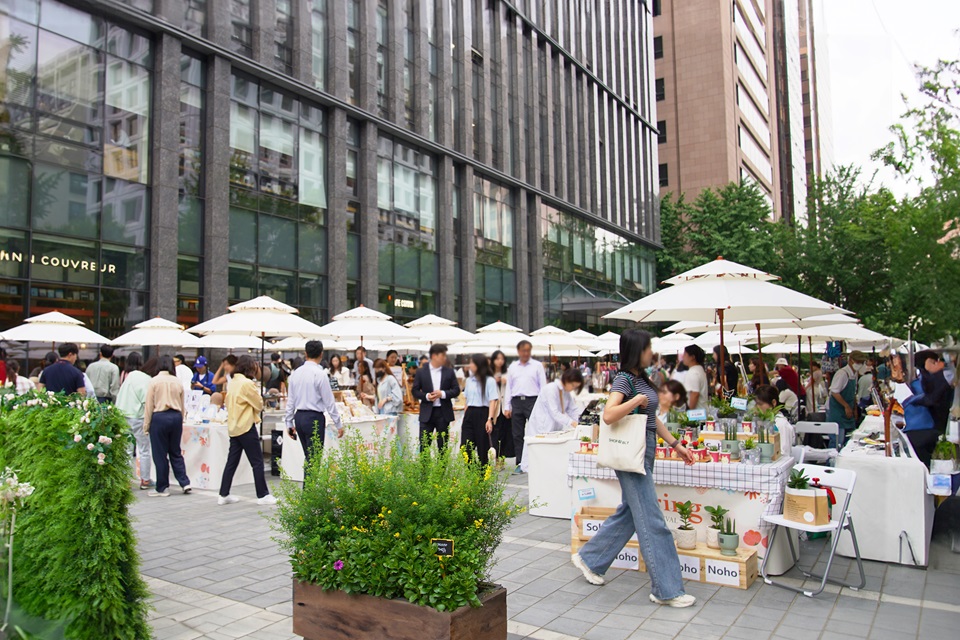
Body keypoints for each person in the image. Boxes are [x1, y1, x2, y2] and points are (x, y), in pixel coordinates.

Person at [572, 329, 697, 608]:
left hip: (644, 449)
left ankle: (591, 559)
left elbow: (651, 418)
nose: (651, 352)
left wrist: (676, 444)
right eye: (647, 348)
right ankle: (667, 589)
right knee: (652, 520)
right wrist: (635, 401)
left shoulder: (642, 379)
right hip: (632, 453)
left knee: (632, 511)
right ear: (636, 350)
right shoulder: (624, 379)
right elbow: (608, 414)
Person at [219, 355, 276, 505]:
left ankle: (223, 494)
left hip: (234, 426)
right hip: (246, 426)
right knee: (257, 462)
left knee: (231, 462)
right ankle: (262, 495)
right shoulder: (247, 383)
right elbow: (259, 404)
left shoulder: (233, 382)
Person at [284, 341, 344, 465]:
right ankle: (309, 479)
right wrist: (338, 423)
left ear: (305, 353)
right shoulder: (320, 374)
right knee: (314, 459)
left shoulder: (295, 373)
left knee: (309, 457)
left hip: (299, 417)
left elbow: (290, 401)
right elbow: (329, 402)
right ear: (321, 354)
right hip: (314, 418)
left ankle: (308, 478)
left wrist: (289, 422)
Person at [143, 355, 191, 497]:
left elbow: (149, 405)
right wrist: (181, 419)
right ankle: (184, 482)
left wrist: (146, 425)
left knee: (160, 454)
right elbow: (182, 404)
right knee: (175, 451)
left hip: (159, 417)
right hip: (176, 417)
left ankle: (162, 487)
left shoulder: (154, 381)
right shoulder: (177, 381)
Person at [520, 369, 585, 471]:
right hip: (542, 427)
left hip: (553, 428)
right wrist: (572, 423)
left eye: (575, 387)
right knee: (538, 458)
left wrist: (582, 420)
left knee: (549, 458)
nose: (573, 389)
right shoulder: (550, 389)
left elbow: (572, 409)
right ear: (567, 380)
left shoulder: (566, 393)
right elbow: (554, 412)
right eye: (573, 386)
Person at [504, 340, 548, 473]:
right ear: (518, 352)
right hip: (517, 401)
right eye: (523, 351)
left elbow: (543, 386)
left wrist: (544, 405)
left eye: (528, 350)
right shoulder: (513, 367)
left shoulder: (537, 366)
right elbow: (509, 387)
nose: (526, 353)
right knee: (517, 434)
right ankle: (520, 462)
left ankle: (537, 460)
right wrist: (507, 406)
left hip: (533, 401)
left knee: (536, 431)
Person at [115, 352, 153, 490]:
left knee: (126, 449)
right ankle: (145, 480)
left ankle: (126, 480)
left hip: (123, 415)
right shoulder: (145, 378)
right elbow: (147, 400)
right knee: (144, 449)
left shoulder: (127, 376)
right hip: (138, 416)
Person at [412, 344, 461, 450]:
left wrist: (442, 394)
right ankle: (425, 462)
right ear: (434, 356)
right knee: (424, 446)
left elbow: (456, 390)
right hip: (427, 412)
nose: (445, 358)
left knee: (442, 446)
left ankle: (442, 462)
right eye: (442, 355)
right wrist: (426, 396)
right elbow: (415, 391)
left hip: (443, 412)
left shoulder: (449, 372)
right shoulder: (421, 372)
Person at [460, 354, 501, 466]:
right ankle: (473, 470)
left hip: (483, 413)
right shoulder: (469, 380)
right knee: (465, 447)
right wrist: (465, 416)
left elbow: (492, 400)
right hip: (470, 413)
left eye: (472, 363)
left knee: (482, 448)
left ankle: (483, 472)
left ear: (479, 365)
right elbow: (467, 400)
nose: (470, 365)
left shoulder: (489, 381)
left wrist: (490, 419)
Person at [827, 351, 868, 446]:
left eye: (861, 362)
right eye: (858, 362)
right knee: (837, 441)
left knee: (849, 440)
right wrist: (846, 406)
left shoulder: (854, 374)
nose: (859, 364)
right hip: (837, 412)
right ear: (851, 360)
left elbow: (853, 393)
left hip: (848, 413)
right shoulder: (842, 374)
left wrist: (854, 409)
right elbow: (835, 392)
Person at [913, 350, 955, 434]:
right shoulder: (946, 375)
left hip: (937, 424)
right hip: (946, 419)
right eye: (935, 361)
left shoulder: (923, 379)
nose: (940, 362)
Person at [490, 350, 513, 459]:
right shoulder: (488, 374)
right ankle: (494, 458)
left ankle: (501, 459)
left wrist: (506, 382)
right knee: (494, 434)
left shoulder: (508, 373)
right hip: (494, 408)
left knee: (505, 434)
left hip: (505, 408)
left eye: (502, 359)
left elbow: (513, 387)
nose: (500, 361)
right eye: (497, 359)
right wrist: (493, 381)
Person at [680, 345, 708, 410]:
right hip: (702, 410)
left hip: (696, 413)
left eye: (685, 354)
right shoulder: (699, 369)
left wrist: (690, 411)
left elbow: (695, 394)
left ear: (692, 357)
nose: (683, 357)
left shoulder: (693, 372)